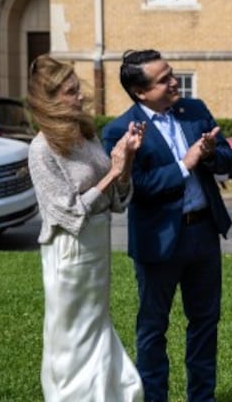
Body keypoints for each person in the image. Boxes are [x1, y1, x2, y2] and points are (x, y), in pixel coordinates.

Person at [102, 49, 232, 402]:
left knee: (206, 323)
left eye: (172, 74)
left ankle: (202, 398)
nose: (175, 82)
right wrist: (186, 162)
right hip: (158, 242)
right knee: (153, 329)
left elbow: (226, 158)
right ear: (140, 92)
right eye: (164, 80)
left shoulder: (194, 110)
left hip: (203, 233)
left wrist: (208, 153)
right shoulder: (119, 130)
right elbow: (139, 186)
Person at [25, 55, 146, 401]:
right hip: (69, 255)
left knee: (96, 330)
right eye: (69, 92)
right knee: (72, 339)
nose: (79, 97)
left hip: (96, 249)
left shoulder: (85, 135)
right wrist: (112, 172)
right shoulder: (41, 149)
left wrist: (126, 162)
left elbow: (116, 200)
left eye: (77, 89)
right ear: (50, 99)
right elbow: (68, 213)